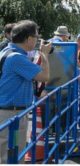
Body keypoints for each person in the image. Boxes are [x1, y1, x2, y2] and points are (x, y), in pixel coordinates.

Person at [0, 20, 51, 163]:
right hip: (12, 115)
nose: (37, 40)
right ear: (28, 38)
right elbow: (44, 77)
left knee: (10, 152)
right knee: (11, 155)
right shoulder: (17, 58)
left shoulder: (6, 52)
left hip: (9, 112)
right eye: (36, 36)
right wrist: (44, 54)